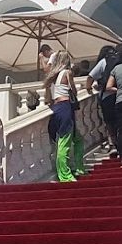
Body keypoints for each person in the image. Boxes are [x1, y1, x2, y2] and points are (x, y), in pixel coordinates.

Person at [44, 51, 84, 182]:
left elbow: (48, 98)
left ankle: (77, 167)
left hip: (56, 108)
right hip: (66, 107)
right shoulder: (67, 72)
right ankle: (65, 173)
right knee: (64, 142)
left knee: (77, 138)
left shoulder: (52, 77)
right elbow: (74, 90)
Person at [86, 45, 119, 154]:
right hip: (121, 94)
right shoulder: (120, 60)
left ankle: (112, 143)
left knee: (109, 121)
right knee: (121, 120)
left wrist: (88, 88)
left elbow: (90, 77)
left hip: (107, 95)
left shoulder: (103, 62)